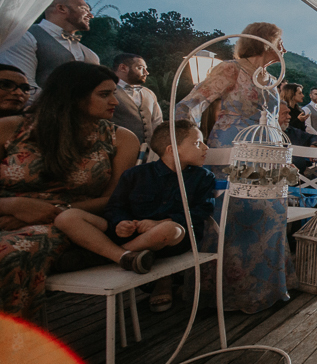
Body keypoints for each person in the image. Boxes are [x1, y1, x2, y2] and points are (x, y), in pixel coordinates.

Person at [0, 62, 139, 319]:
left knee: (9, 253)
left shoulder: (122, 139)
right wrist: (14, 207)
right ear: (73, 95)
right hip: (7, 212)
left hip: (73, 220)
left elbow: (112, 198)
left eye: (114, 94)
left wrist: (53, 212)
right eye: (104, 94)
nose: (115, 102)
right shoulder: (11, 128)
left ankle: (16, 350)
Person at [175, 22, 295, 314]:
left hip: (265, 148)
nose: (284, 48)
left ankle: (263, 289)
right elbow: (192, 103)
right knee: (233, 211)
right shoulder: (231, 69)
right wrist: (187, 138)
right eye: (280, 42)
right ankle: (223, 292)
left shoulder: (268, 77)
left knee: (272, 210)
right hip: (232, 147)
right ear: (264, 42)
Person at [54, 120, 214, 313]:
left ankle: (102, 256)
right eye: (197, 143)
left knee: (170, 230)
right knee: (67, 217)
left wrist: (161, 222)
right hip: (130, 233)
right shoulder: (135, 175)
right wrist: (120, 222)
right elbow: (115, 207)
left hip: (169, 239)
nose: (205, 147)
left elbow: (202, 210)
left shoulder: (203, 178)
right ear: (172, 149)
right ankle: (123, 256)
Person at [0, 0, 99, 98]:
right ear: (61, 8)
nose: (91, 15)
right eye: (84, 9)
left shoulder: (91, 55)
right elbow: (25, 87)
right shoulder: (25, 36)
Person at [111, 53, 164, 149]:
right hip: (118, 153)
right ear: (123, 68)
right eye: (140, 68)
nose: (146, 72)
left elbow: (157, 123)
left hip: (148, 156)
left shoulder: (149, 94)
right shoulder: (107, 91)